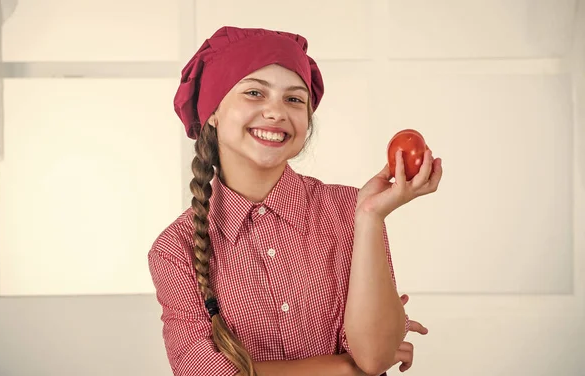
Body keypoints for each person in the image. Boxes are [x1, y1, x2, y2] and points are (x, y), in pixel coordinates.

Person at [148, 26, 443, 376]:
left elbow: (376, 357)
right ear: (212, 111)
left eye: (293, 99)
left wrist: (370, 218)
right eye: (255, 93)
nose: (276, 112)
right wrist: (348, 369)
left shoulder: (352, 210)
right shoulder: (174, 249)